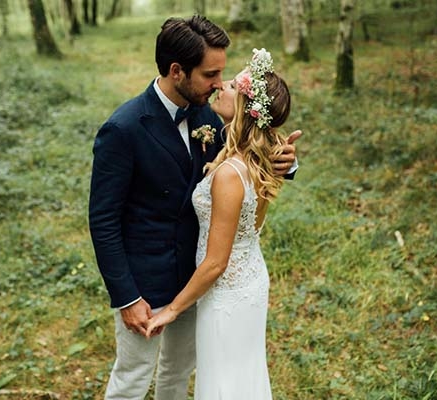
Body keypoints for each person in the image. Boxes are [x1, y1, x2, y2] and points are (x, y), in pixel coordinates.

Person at [88, 16, 299, 400]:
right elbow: (103, 221)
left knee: (179, 372)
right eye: (210, 73)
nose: (220, 83)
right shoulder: (124, 129)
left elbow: (248, 149)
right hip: (146, 286)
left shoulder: (210, 113)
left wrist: (286, 162)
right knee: (133, 378)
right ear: (176, 71)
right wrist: (126, 297)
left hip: (198, 279)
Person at [145, 48, 289, 399]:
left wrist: (172, 311)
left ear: (244, 108)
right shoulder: (262, 159)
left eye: (231, 86)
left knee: (223, 381)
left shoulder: (229, 174)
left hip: (227, 292)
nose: (220, 86)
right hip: (251, 277)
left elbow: (215, 262)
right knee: (243, 374)